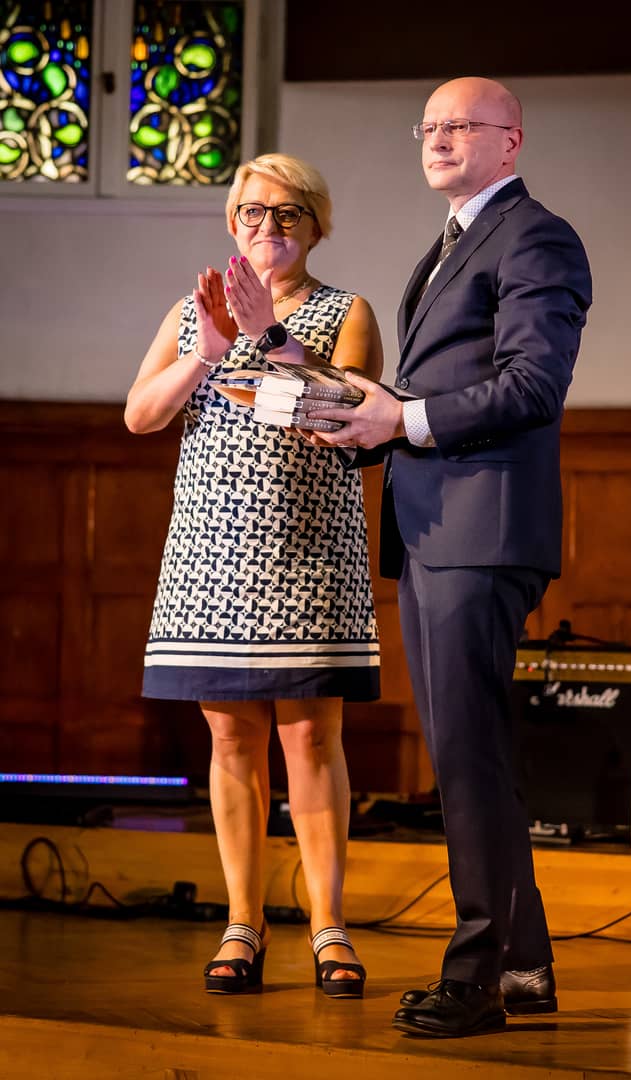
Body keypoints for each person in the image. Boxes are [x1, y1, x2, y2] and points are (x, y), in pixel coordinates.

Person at [309, 77, 593, 1036]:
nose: (437, 138)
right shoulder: (449, 245)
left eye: (459, 125)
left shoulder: (536, 237)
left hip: (484, 528)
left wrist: (402, 419)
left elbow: (533, 384)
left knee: (468, 758)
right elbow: (428, 395)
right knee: (473, 754)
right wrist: (358, 419)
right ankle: (524, 966)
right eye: (427, 126)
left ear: (511, 141)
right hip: (436, 526)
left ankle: (473, 978)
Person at [124, 153, 383, 999]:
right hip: (213, 556)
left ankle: (328, 925)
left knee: (310, 738)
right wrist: (204, 354)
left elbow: (347, 411)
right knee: (231, 739)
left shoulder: (346, 311)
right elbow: (140, 415)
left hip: (311, 551)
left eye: (287, 213)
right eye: (252, 212)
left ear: (316, 226)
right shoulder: (190, 311)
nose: (267, 226)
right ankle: (244, 921)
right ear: (232, 224)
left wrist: (265, 339)